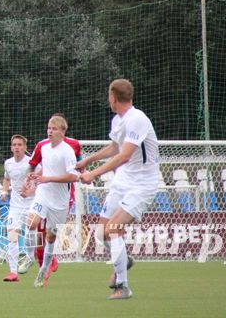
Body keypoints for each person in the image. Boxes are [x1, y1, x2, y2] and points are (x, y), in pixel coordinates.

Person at [78, 79, 160, 300]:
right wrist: (89, 160)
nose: (108, 99)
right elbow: (115, 147)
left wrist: (93, 174)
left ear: (113, 97)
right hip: (122, 181)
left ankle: (123, 286)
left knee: (113, 229)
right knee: (100, 232)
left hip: (142, 184)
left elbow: (123, 155)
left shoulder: (137, 119)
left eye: (108, 96)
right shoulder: (118, 120)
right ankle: (123, 259)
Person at [23, 115, 79, 288]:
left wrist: (49, 178)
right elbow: (34, 166)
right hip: (43, 193)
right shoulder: (43, 147)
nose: (50, 131)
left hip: (60, 200)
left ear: (63, 132)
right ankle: (29, 257)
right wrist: (31, 178)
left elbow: (73, 176)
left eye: (54, 129)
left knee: (51, 236)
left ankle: (43, 270)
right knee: (31, 222)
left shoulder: (68, 151)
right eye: (49, 128)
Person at [0, 134, 33, 282]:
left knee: (33, 238)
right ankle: (13, 272)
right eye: (14, 145)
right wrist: (5, 191)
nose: (17, 147)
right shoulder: (8, 163)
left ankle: (38, 259)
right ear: (11, 147)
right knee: (12, 236)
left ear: (25, 147)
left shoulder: (32, 163)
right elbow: (7, 179)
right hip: (15, 206)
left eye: (20, 145)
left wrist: (30, 192)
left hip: (33, 204)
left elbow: (41, 181)